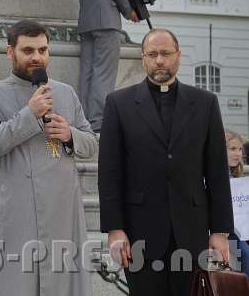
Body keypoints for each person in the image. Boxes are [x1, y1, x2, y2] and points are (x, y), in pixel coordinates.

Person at [98, 28, 233, 296]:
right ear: (143, 58)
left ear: (178, 57)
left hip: (192, 232)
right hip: (140, 232)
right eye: (152, 54)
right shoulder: (119, 104)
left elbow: (217, 171)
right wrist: (115, 229)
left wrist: (219, 231)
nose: (159, 60)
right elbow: (110, 173)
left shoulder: (205, 103)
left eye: (165, 53)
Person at [0, 19, 98, 296]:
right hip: (17, 209)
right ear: (11, 52)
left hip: (63, 210)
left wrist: (70, 135)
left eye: (42, 50)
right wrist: (29, 115)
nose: (37, 57)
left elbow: (91, 144)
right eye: (28, 50)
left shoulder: (65, 92)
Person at [72, 0, 138, 132]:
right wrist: (129, 11)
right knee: (104, 73)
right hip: (107, 22)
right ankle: (99, 122)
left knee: (88, 73)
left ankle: (83, 120)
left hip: (87, 22)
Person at [225, 129, 249, 276]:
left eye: (240, 149)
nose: (238, 153)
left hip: (239, 232)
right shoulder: (207, 178)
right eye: (232, 149)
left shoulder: (236, 180)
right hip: (226, 235)